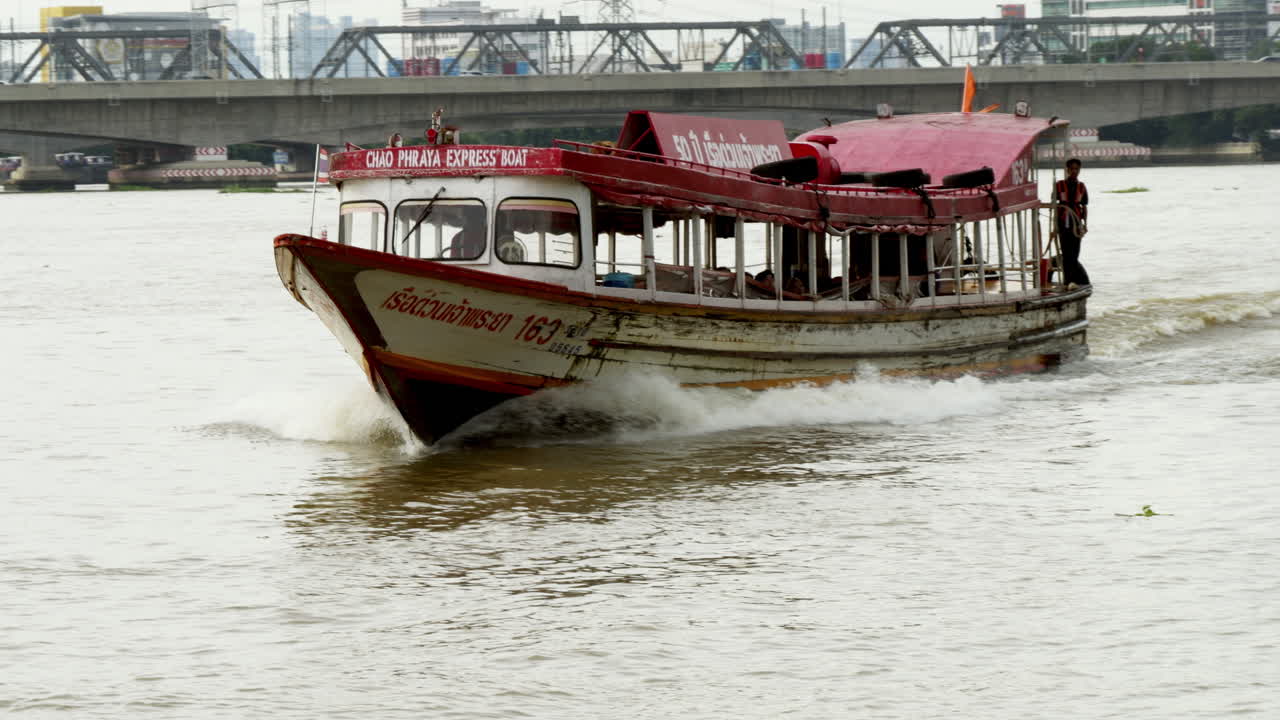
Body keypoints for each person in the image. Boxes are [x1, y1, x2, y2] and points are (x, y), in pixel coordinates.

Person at [1054, 158, 1091, 288]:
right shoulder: (1059, 185)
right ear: (1067, 170)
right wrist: (1055, 226)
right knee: (1066, 252)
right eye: (1072, 169)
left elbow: (1084, 206)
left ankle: (1072, 281)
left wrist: (1085, 224)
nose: (1074, 171)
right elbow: (1054, 204)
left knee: (1074, 253)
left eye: (1077, 169)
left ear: (1079, 170)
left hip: (1076, 224)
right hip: (1063, 223)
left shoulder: (1082, 187)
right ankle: (1067, 281)